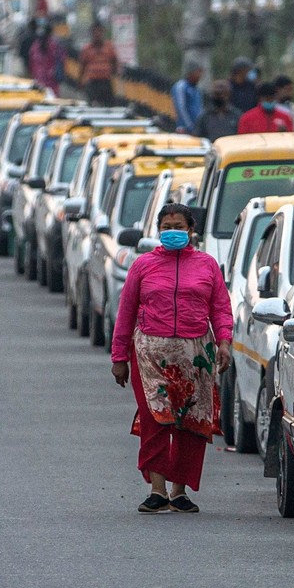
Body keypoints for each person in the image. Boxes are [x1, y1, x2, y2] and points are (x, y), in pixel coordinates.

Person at [110, 204, 233, 513]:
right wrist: (119, 357)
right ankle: (157, 489)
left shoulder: (207, 265)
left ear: (191, 229)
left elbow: (220, 308)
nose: (172, 231)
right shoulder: (143, 266)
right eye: (166, 226)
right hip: (150, 355)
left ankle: (179, 491)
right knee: (155, 418)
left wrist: (225, 343)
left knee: (191, 421)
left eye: (178, 225)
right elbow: (125, 313)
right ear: (158, 229)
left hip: (195, 356)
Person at [79, 21, 120, 106]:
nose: (97, 34)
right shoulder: (87, 49)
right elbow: (82, 67)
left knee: (109, 107)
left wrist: (114, 72)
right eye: (95, 31)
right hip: (93, 83)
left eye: (99, 31)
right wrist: (80, 83)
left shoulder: (109, 47)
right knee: (93, 107)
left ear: (103, 32)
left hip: (106, 82)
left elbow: (115, 61)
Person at [27, 21, 64, 95]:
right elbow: (62, 60)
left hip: (40, 81)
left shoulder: (35, 46)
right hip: (51, 82)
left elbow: (31, 64)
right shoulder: (56, 46)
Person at [171, 65, 205, 134]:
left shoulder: (197, 90)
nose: (199, 76)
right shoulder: (181, 86)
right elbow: (180, 108)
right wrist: (189, 126)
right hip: (184, 129)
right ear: (190, 73)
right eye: (198, 73)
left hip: (197, 129)